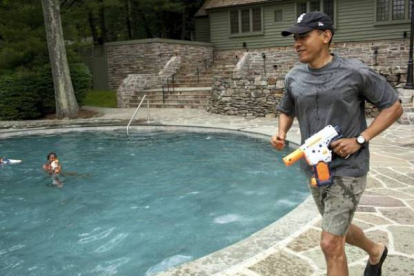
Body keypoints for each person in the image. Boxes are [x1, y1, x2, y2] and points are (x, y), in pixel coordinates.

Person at [270, 11, 403, 276]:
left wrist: (360, 139)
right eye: (295, 38)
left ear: (326, 36)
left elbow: (394, 107)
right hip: (315, 167)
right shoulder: (294, 77)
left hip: (349, 168)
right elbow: (287, 109)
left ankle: (373, 252)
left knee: (330, 242)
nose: (297, 43)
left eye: (304, 36)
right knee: (336, 227)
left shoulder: (355, 72)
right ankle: (376, 250)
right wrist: (281, 133)